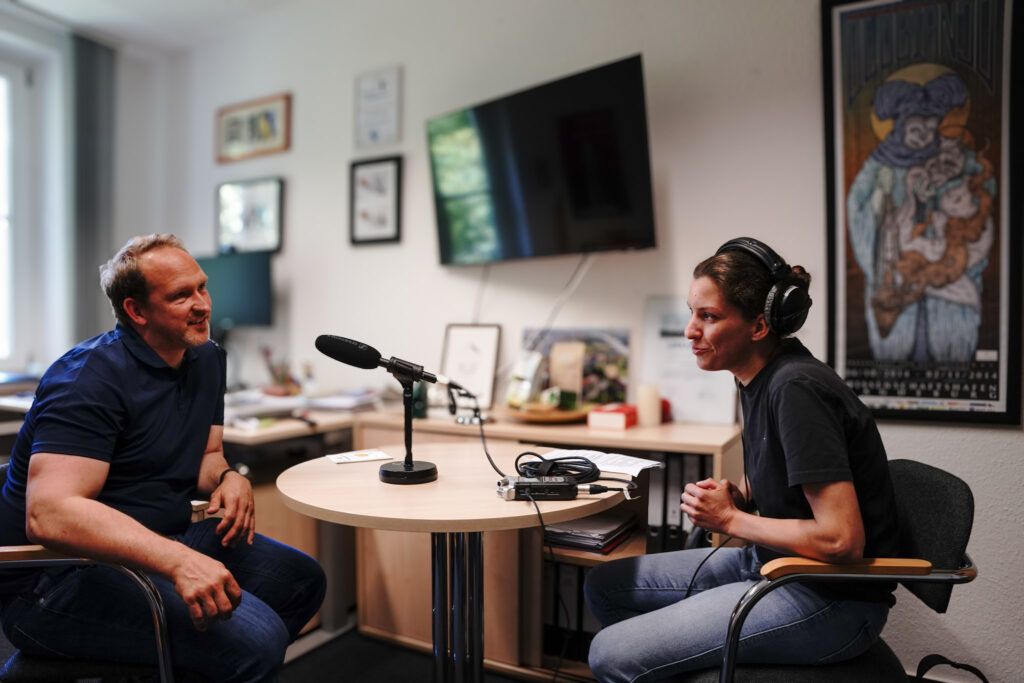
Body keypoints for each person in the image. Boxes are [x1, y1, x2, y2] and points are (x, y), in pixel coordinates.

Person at [0, 234, 326, 682]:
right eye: (180, 296)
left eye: (202, 287)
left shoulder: (206, 358)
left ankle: (154, 662)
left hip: (158, 540)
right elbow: (50, 514)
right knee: (258, 642)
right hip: (58, 576)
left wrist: (229, 477)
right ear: (136, 311)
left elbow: (208, 454)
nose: (202, 304)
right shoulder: (87, 380)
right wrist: (179, 562)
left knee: (301, 581)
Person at [584, 237, 899, 681]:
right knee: (606, 585)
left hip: (830, 599)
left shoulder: (796, 389)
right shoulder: (758, 376)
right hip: (772, 563)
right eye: (692, 311)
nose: (690, 330)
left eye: (709, 317)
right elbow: (789, 469)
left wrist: (730, 520)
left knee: (609, 655)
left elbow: (841, 539)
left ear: (760, 325)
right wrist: (742, 493)